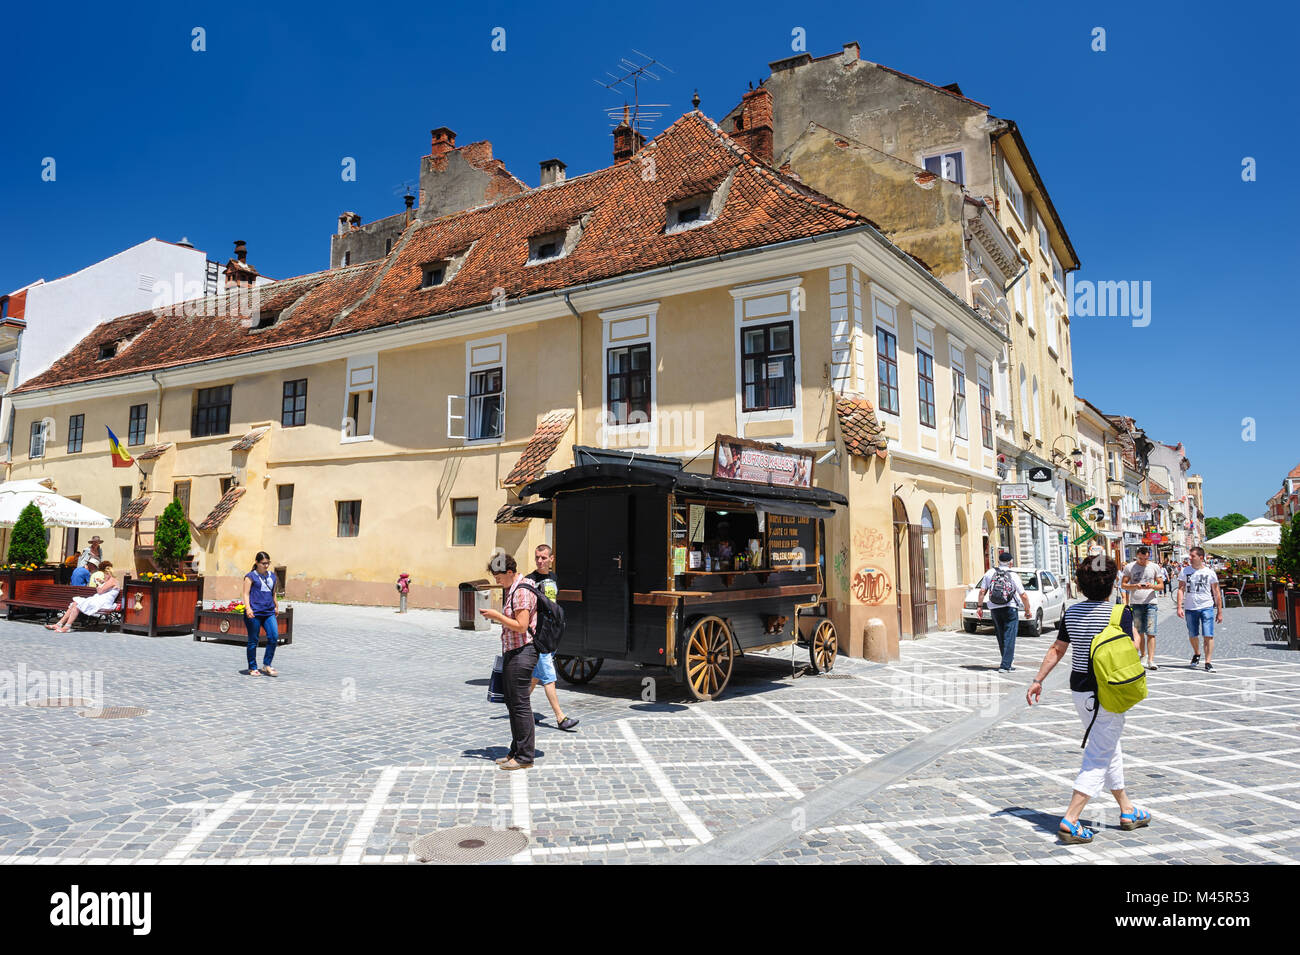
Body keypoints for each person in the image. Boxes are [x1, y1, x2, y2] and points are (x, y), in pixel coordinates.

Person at [1026, 553, 1151, 844]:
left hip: (1080, 690)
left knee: (1108, 747)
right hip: (1108, 691)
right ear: (1111, 584)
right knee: (1098, 755)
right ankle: (1070, 820)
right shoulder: (1120, 613)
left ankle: (1127, 809)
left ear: (1081, 585)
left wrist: (1037, 680)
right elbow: (1135, 648)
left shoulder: (1071, 612)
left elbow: (1058, 649)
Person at [480, 552, 537, 771]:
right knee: (513, 703)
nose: (497, 580)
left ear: (510, 572)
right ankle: (516, 750)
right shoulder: (514, 588)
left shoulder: (521, 591)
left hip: (523, 652)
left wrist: (497, 616)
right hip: (514, 651)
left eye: (499, 576)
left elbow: (521, 625)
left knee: (520, 705)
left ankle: (524, 756)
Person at [525, 544, 578, 732]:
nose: (540, 561)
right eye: (537, 557)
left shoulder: (553, 578)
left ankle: (519, 708)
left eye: (544, 558)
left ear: (551, 559)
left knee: (535, 676)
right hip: (538, 636)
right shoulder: (529, 580)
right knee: (548, 677)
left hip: (552, 634)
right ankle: (560, 717)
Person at [976, 551, 1031, 673]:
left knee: (1001, 636)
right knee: (1009, 636)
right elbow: (1024, 595)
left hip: (994, 608)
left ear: (999, 561)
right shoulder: (1013, 575)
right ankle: (1005, 665)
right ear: (1010, 563)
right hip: (1010, 607)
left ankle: (1006, 662)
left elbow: (981, 592)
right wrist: (1027, 610)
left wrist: (979, 606)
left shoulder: (990, 573)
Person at [1177, 546, 1223, 672]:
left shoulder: (1209, 572)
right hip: (1190, 607)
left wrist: (1219, 611)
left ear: (1201, 558)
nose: (1190, 558)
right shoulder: (1185, 571)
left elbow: (1216, 592)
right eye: (1190, 556)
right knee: (1193, 634)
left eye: (1193, 556)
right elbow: (1180, 589)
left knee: (1208, 634)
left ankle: (1208, 662)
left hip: (1206, 606)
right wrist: (1179, 606)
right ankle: (1197, 653)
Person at [1121, 546, 1165, 670]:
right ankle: (1143, 656)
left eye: (1144, 559)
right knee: (1139, 632)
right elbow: (1123, 585)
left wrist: (1152, 586)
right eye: (1140, 559)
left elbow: (1161, 586)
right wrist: (1135, 585)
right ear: (1137, 556)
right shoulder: (1130, 567)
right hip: (1136, 603)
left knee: (1151, 632)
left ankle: (1151, 660)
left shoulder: (1154, 567)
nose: (1142, 561)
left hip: (1151, 602)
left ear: (1148, 556)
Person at [47, 562, 119, 632]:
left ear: (108, 574)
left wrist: (98, 584)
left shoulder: (112, 581)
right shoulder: (111, 581)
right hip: (99, 600)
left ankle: (66, 626)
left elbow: (100, 591)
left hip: (102, 603)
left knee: (77, 604)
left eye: (104, 575)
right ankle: (60, 624)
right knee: (75, 603)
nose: (104, 577)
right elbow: (105, 589)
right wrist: (102, 582)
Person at [243, 551, 280, 676]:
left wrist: (276, 605)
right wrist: (248, 609)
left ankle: (266, 665)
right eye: (263, 563)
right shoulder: (250, 576)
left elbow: (273, 592)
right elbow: (246, 594)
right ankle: (252, 667)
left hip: (268, 611)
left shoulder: (272, 576)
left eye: (268, 563)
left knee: (273, 637)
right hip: (255, 612)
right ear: (257, 563)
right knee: (253, 640)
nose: (266, 566)